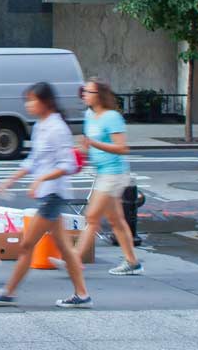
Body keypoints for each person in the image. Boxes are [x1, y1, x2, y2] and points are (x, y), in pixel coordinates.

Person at [0, 82, 91, 308]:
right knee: (65, 248)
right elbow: (33, 161)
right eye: (28, 101)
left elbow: (68, 164)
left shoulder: (57, 128)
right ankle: (82, 294)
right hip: (48, 195)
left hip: (53, 195)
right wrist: (10, 180)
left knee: (26, 245)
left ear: (46, 102)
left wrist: (42, 179)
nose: (29, 105)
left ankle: (9, 292)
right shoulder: (42, 126)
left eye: (32, 100)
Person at [63, 77, 142, 275]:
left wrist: (94, 145)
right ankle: (132, 262)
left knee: (91, 217)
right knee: (116, 221)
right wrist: (79, 152)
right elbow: (89, 144)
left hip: (114, 173)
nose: (84, 95)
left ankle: (74, 260)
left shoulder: (112, 117)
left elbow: (122, 148)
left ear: (100, 96)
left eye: (89, 92)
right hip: (102, 172)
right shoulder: (89, 115)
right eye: (84, 91)